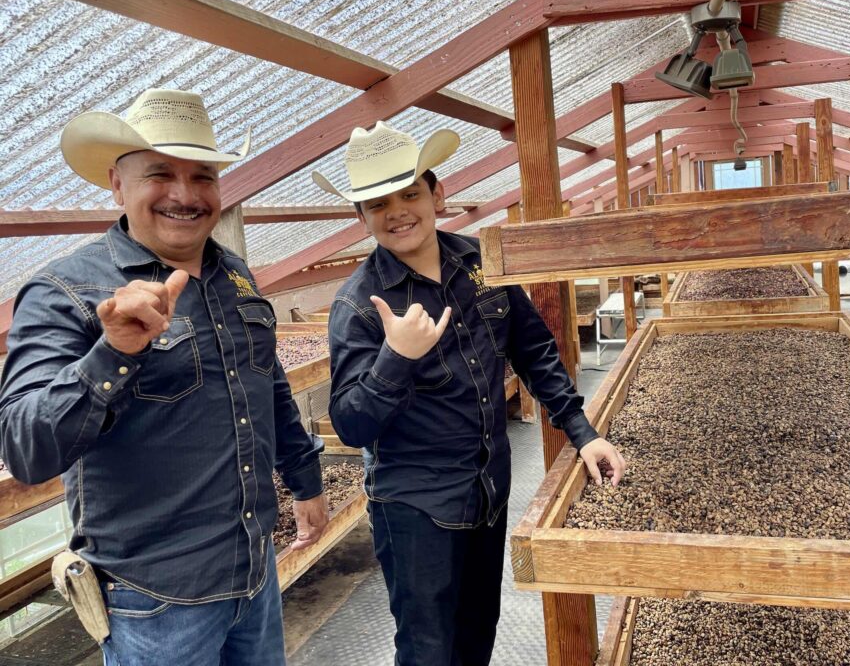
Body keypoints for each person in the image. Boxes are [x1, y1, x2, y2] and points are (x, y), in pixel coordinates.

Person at [0, 88, 328, 666]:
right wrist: (113, 352)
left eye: (203, 177)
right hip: (155, 601)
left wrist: (305, 481)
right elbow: (25, 449)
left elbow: (266, 381)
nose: (185, 194)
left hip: (254, 570)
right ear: (117, 185)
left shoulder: (234, 274)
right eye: (159, 174)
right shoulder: (65, 291)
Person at [318, 122, 626, 666]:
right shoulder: (360, 304)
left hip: (487, 492)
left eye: (409, 194)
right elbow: (351, 424)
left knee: (478, 631)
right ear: (360, 215)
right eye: (378, 203)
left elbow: (533, 350)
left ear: (437, 194)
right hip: (417, 509)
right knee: (427, 649)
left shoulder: (481, 264)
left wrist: (583, 433)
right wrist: (396, 358)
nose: (397, 212)